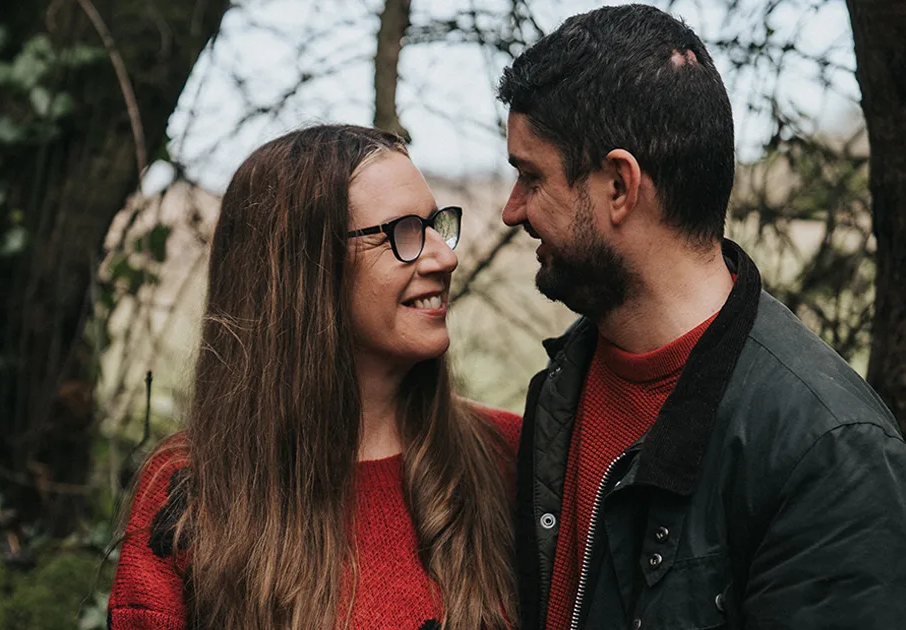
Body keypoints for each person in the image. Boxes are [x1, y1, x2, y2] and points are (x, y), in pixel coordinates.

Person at [496, 4, 906, 629]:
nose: (511, 210)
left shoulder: (827, 453)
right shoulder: (561, 388)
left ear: (619, 186)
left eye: (531, 177)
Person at [106, 124, 521, 630]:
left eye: (437, 225)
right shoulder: (192, 493)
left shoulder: (507, 455)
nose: (445, 256)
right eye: (404, 232)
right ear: (305, 269)